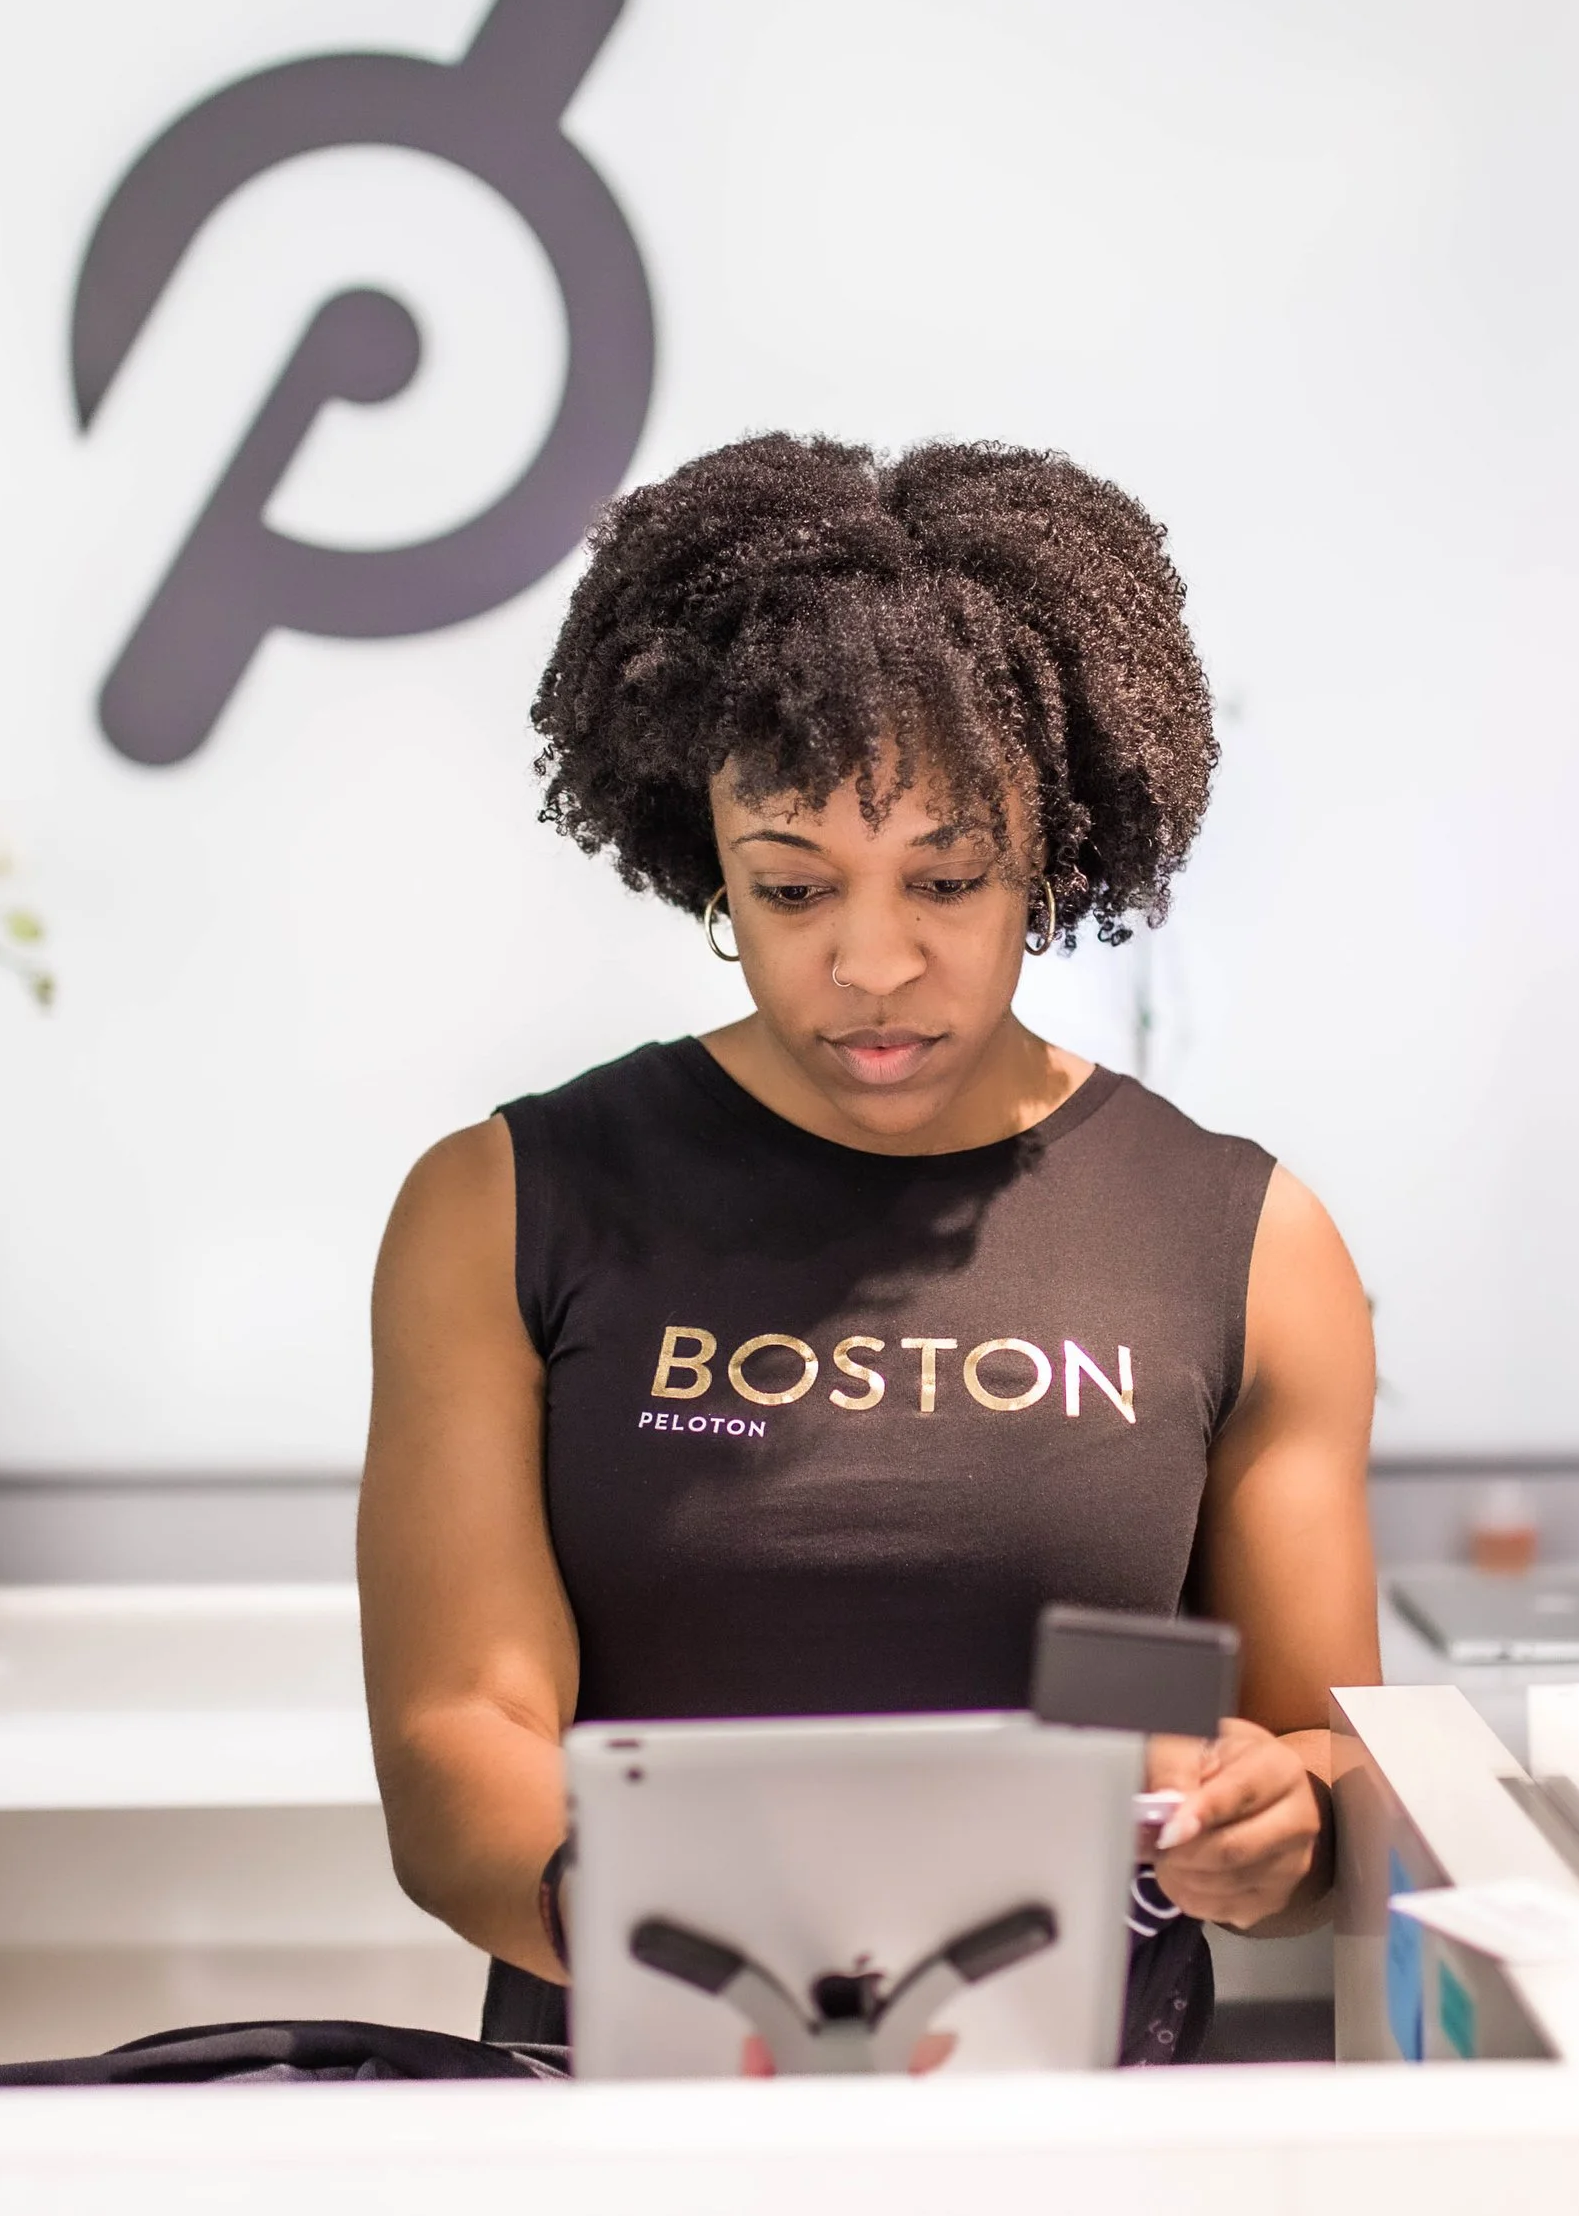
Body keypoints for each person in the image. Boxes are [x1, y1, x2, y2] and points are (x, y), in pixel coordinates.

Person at [357, 432, 1379, 2064]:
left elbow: (1335, 1773)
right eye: (792, 887)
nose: (874, 962)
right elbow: (456, 1741)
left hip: (1087, 2150)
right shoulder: (503, 1206)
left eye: (948, 878)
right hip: (632, 2123)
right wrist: (720, 1959)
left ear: (1050, 855)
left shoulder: (1250, 1243)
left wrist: (1287, 1830)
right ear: (705, 861)